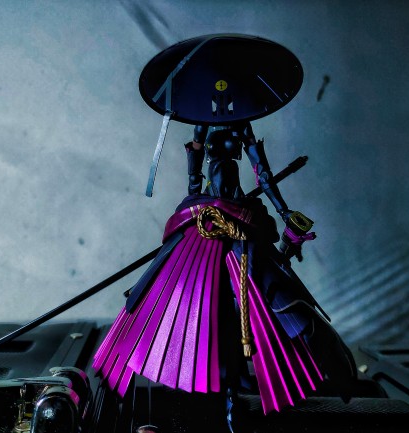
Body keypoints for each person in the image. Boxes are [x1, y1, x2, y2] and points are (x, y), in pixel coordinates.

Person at [92, 121, 356, 425]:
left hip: (241, 241)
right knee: (177, 308)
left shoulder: (238, 140)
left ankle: (322, 373)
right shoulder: (207, 158)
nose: (221, 172)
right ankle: (218, 390)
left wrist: (284, 213)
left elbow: (261, 177)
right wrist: (199, 139)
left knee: (283, 305)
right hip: (201, 240)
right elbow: (197, 184)